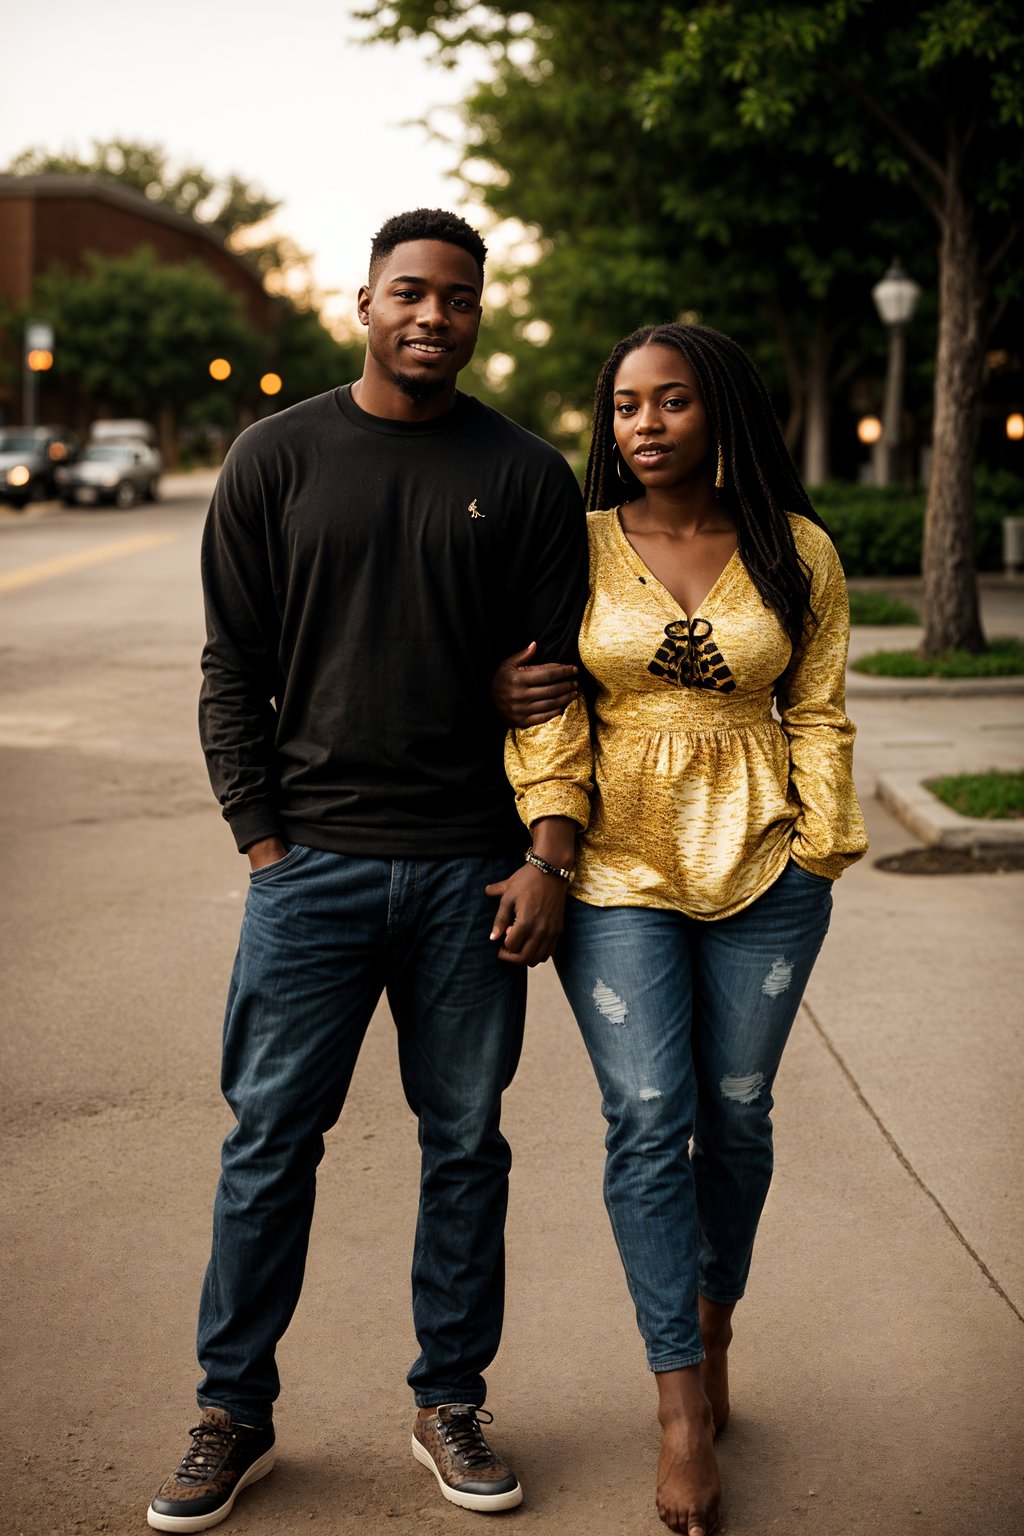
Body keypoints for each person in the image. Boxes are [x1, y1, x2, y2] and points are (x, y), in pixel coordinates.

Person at [147, 208, 588, 1532]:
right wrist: (262, 843)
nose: (433, 316)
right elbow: (234, 664)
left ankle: (450, 1401)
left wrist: (547, 857)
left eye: (458, 298)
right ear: (362, 302)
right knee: (270, 1142)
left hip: (470, 872)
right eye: (410, 292)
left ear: (477, 312)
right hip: (314, 871)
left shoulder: (523, 472)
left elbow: (560, 685)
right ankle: (234, 1411)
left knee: (466, 1144)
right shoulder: (275, 459)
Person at [495, 322, 868, 1535]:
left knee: (738, 1115)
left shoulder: (793, 548)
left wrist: (819, 843)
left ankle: (714, 1329)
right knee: (651, 1117)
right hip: (615, 868)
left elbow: (815, 707)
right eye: (622, 407)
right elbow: (545, 712)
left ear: (721, 414)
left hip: (767, 867)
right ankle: (677, 1411)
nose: (643, 426)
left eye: (669, 403)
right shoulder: (578, 542)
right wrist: (551, 840)